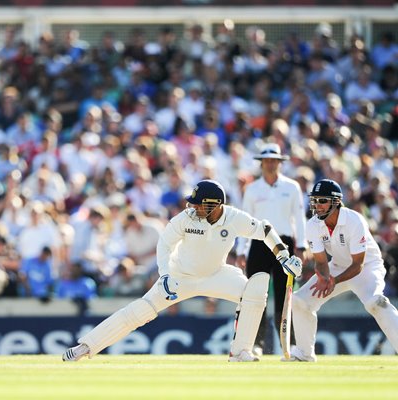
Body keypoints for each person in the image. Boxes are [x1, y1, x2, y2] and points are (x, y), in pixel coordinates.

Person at [63, 180, 302, 362]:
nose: (193, 207)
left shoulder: (233, 217)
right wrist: (165, 274)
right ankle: (86, 347)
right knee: (139, 312)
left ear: (215, 205)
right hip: (179, 277)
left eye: (199, 204)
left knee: (256, 287)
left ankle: (240, 351)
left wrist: (284, 257)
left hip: (216, 275)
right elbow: (164, 244)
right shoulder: (185, 218)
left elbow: (265, 229)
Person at [290, 179, 398, 361]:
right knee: (301, 301)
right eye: (315, 201)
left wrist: (334, 281)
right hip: (337, 266)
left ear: (336, 201)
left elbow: (358, 264)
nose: (318, 206)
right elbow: (321, 261)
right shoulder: (313, 224)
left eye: (322, 201)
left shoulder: (354, 220)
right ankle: (304, 354)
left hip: (367, 267)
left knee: (375, 302)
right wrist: (324, 277)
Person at [237, 143, 307, 354]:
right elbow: (244, 220)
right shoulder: (252, 189)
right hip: (259, 244)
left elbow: (299, 217)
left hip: (284, 244)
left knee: (284, 296)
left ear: (279, 163)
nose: (270, 164)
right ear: (261, 163)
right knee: (257, 297)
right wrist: (242, 249)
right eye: (266, 161)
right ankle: (256, 344)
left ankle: (290, 344)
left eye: (273, 161)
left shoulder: (291, 187)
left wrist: (302, 246)